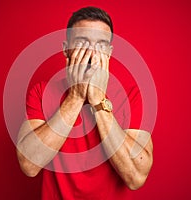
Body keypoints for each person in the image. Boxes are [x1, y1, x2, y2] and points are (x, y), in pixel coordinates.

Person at [16, 6, 153, 199]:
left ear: (110, 52)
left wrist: (98, 101)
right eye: (82, 42)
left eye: (101, 45)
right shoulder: (42, 92)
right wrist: (76, 97)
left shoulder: (131, 96)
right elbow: (29, 165)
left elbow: (136, 177)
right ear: (66, 49)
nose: (91, 54)